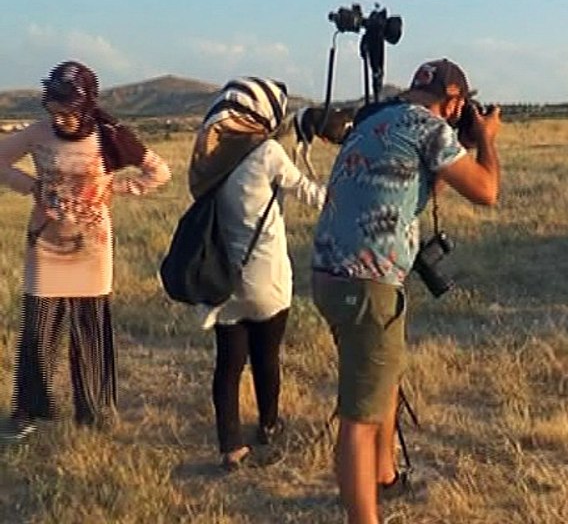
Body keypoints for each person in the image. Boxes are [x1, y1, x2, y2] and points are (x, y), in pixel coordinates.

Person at [311, 59, 500, 524]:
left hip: (333, 275)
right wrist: (488, 142)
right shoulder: (429, 128)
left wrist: (465, 141)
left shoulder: (378, 121)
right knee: (359, 414)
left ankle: (385, 475)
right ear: (452, 98)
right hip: (367, 282)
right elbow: (487, 191)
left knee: (384, 379)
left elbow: (411, 182)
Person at [0, 61, 171, 441]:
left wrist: (118, 190)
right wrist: (31, 188)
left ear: (87, 104)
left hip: (93, 250)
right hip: (45, 245)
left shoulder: (110, 137)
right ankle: (30, 411)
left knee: (91, 331)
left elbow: (159, 172)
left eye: (69, 112)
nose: (61, 120)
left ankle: (93, 411)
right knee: (39, 331)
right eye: (55, 111)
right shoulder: (37, 133)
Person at [188, 77, 327, 471]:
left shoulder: (210, 154)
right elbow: (309, 194)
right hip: (268, 279)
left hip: (224, 280)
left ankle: (230, 446)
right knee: (267, 357)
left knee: (228, 364)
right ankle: (268, 425)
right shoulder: (268, 152)